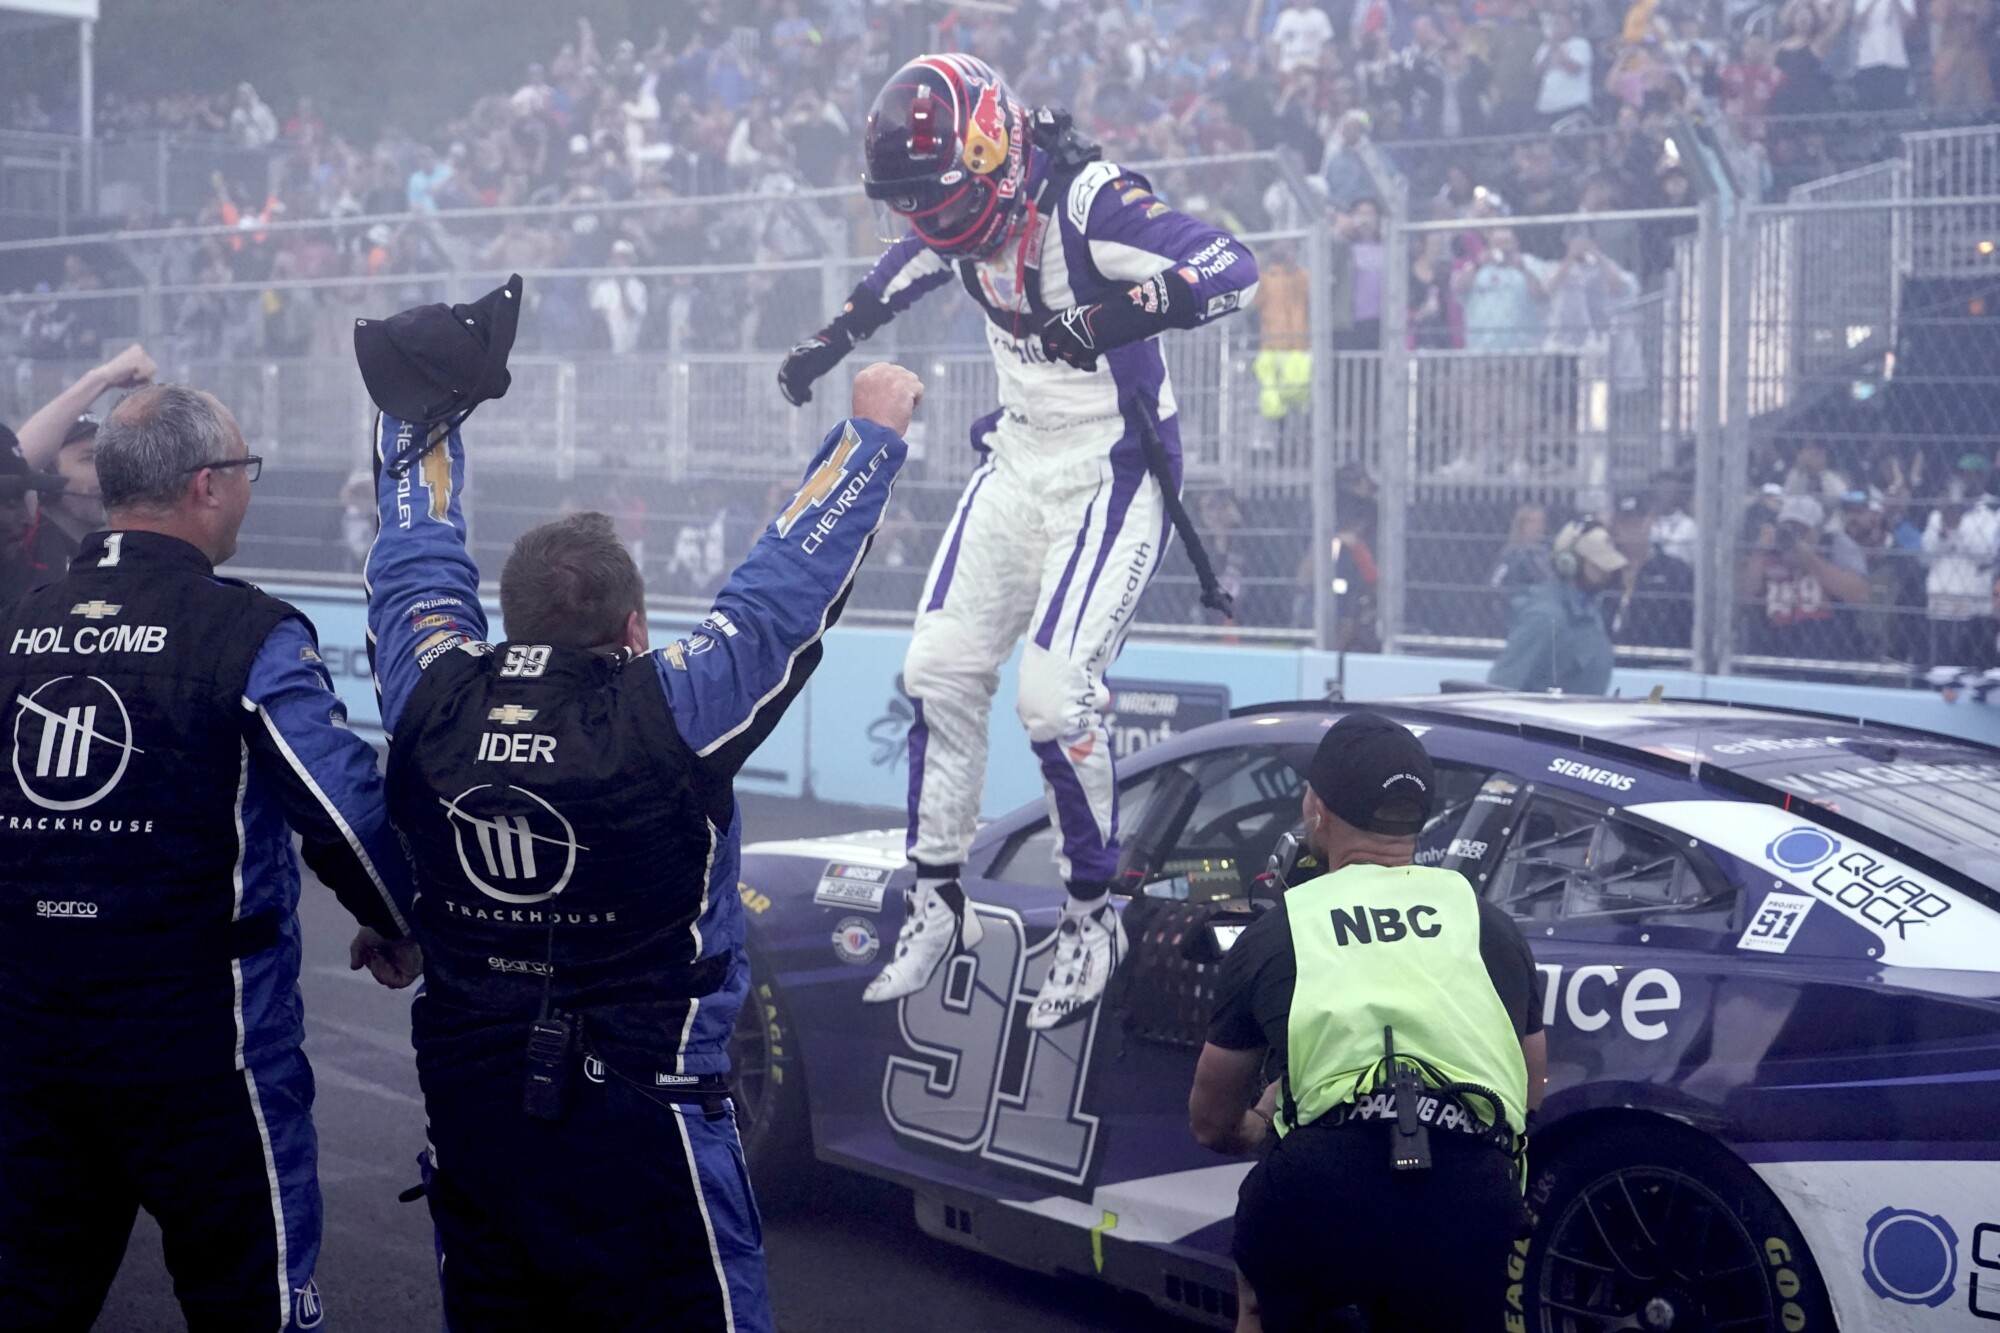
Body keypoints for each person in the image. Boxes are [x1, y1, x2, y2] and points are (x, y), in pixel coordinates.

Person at [359, 274, 923, 1330]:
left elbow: (413, 561)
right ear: (633, 628)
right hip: (645, 1119)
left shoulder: (431, 689)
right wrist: (869, 438)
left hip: (477, 1116)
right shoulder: (668, 708)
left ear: (506, 618)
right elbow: (779, 593)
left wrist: (413, 409)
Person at [777, 57, 1258, 1028]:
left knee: (1050, 696)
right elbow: (904, 266)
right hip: (1017, 458)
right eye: (904, 197)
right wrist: (826, 342)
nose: (920, 212)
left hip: (1113, 470)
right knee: (936, 670)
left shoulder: (1088, 203)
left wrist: (1117, 313)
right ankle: (935, 895)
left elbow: (1232, 268)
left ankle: (1093, 914)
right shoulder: (953, 218)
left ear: (991, 154)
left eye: (930, 192)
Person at [0, 384, 418, 1331]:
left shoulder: (18, 623)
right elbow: (347, 811)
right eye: (245, 472)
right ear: (205, 487)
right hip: (204, 1050)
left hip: (32, 1043)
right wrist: (400, 923)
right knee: (251, 1308)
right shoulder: (245, 632)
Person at [1190, 711, 1545, 1333]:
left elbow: (1211, 1120)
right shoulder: (1487, 924)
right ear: (1420, 817)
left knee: (1261, 1301)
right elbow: (1528, 1087)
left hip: (1322, 1187)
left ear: (1315, 810)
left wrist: (1271, 1125)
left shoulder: (1281, 929)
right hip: (1472, 1190)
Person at [1487, 516, 1626, 693]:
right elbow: (1500, 687)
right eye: (1596, 566)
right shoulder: (1545, 616)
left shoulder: (1589, 614)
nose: (1605, 573)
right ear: (1569, 562)